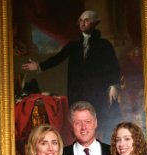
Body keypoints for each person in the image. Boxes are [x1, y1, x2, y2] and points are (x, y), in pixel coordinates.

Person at [22, 10, 122, 142]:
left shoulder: (104, 45)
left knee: (99, 124)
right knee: (80, 124)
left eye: (86, 20)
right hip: (78, 92)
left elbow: (114, 66)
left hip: (98, 92)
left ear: (94, 23)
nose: (82, 23)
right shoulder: (73, 45)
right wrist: (39, 66)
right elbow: (57, 58)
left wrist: (114, 85)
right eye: (80, 20)